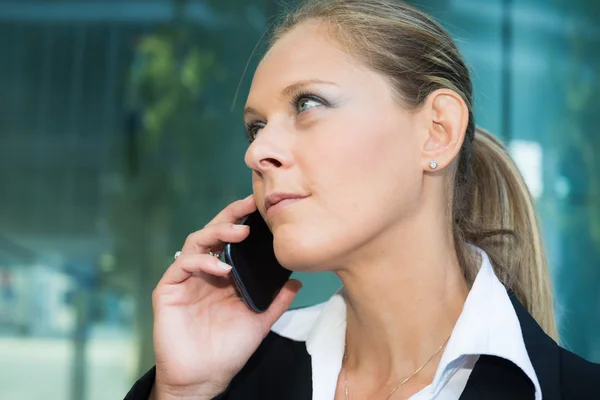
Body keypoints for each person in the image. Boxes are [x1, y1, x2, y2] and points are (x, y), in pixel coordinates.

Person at [125, 0, 600, 399]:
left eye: (307, 104)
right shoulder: (228, 379)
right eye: (256, 126)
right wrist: (185, 392)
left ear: (437, 132)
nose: (257, 151)